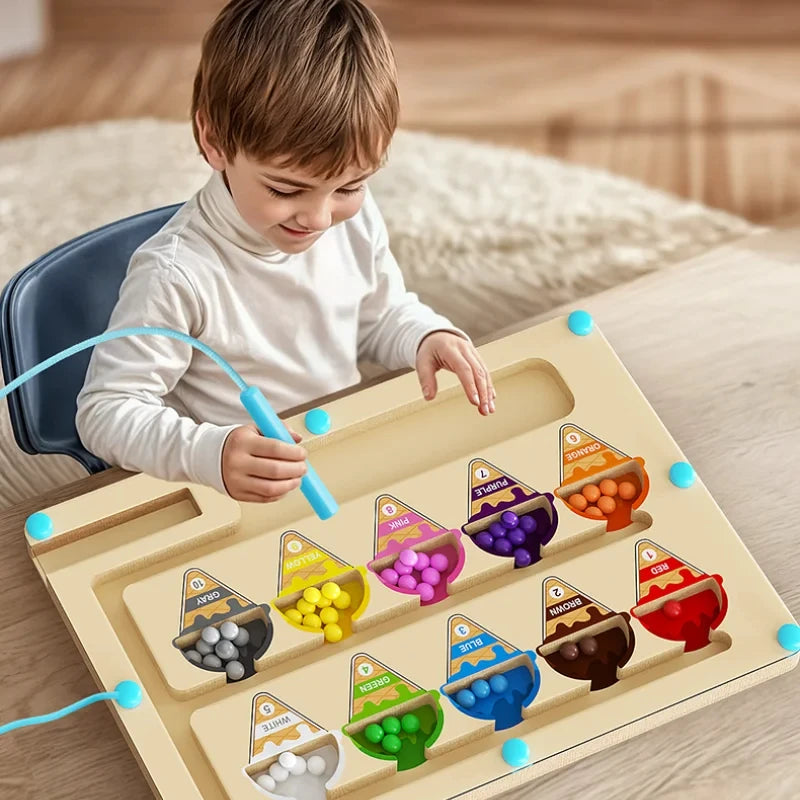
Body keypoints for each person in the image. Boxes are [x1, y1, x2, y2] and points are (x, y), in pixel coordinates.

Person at [76, 0, 495, 504]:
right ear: (213, 140)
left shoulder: (354, 218)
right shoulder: (175, 275)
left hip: (337, 455)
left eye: (349, 186)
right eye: (285, 190)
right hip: (235, 494)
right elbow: (105, 410)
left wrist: (424, 335)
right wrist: (209, 452)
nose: (319, 219)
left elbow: (379, 314)